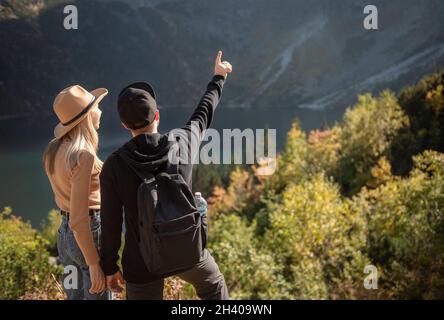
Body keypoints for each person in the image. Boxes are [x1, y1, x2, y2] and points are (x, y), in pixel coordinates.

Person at [99, 51, 233, 300]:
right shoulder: (182, 143)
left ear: (125, 125)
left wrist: (109, 267)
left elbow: (111, 225)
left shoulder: (114, 165)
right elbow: (203, 113)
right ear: (157, 115)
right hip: (187, 250)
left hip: (142, 262)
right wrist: (218, 77)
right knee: (213, 286)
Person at [43, 85, 111, 300]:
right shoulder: (83, 157)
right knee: (98, 293)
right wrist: (93, 263)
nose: (100, 111)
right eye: (96, 107)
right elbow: (80, 218)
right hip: (87, 234)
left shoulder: (54, 149)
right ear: (86, 117)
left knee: (74, 296)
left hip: (64, 235)